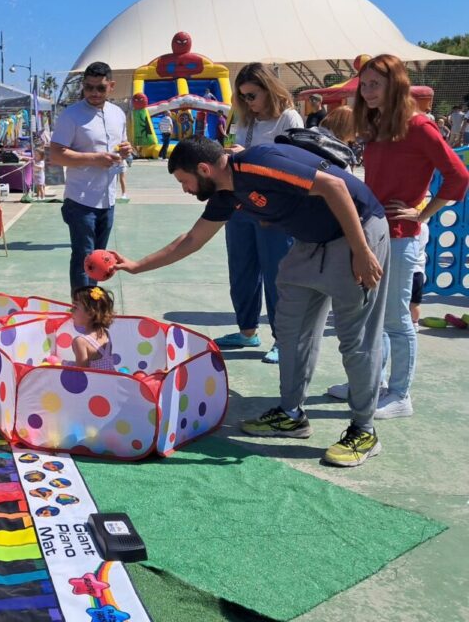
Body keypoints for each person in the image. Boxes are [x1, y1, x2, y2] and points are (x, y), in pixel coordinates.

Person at [112, 137, 389, 467]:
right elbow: (191, 240)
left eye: (184, 181)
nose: (185, 189)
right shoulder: (227, 194)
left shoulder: (259, 163)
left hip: (356, 231)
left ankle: (364, 430)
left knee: (356, 340)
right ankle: (291, 415)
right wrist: (135, 266)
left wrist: (361, 251)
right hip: (311, 242)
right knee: (290, 330)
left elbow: (335, 187)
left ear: (203, 169)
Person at [334, 54, 469, 419]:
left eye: (375, 84)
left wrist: (423, 213)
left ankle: (400, 395)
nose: (367, 91)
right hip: (374, 233)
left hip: (401, 236)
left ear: (396, 84)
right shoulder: (379, 124)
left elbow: (459, 176)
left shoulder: (421, 126)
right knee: (369, 316)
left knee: (396, 318)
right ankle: (370, 383)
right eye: (364, 85)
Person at [216, 63, 304, 364]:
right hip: (242, 203)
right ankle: (247, 330)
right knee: (241, 269)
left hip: (277, 208)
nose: (249, 102)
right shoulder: (247, 120)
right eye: (243, 97)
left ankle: (284, 338)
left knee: (277, 273)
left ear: (269, 89)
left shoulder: (289, 118)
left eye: (252, 95)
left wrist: (249, 157)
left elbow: (295, 164)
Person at [49, 61, 127, 293]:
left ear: (111, 86)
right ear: (83, 86)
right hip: (80, 200)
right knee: (84, 258)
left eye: (100, 88)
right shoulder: (71, 115)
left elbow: (119, 148)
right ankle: (82, 308)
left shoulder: (118, 114)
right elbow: (56, 155)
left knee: (100, 259)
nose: (94, 93)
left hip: (108, 199)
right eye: (89, 87)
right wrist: (94, 159)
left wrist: (123, 152)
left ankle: (93, 303)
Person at [68, 286, 117, 370]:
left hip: (94, 382)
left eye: (75, 307)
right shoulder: (105, 333)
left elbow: (81, 374)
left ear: (90, 313)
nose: (70, 310)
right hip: (110, 380)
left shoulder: (80, 342)